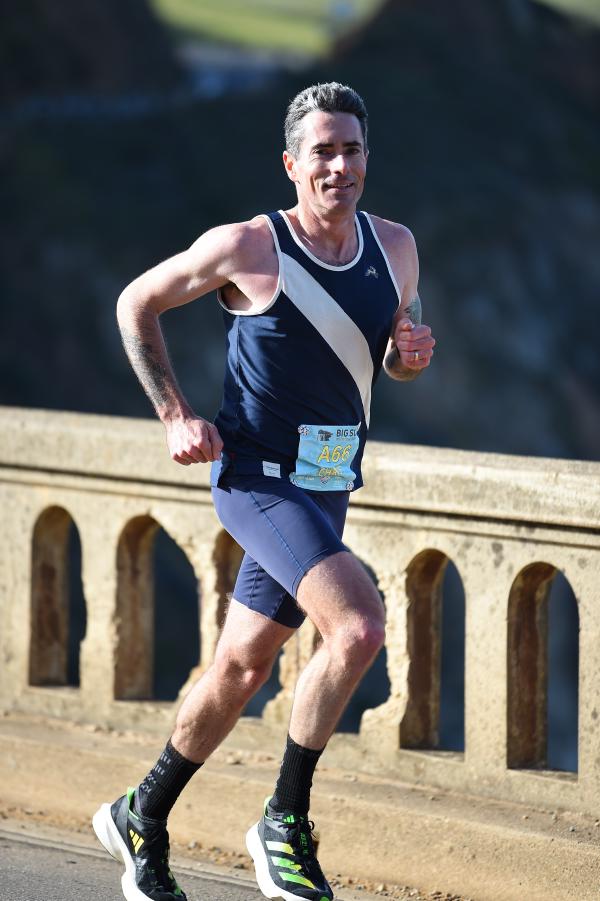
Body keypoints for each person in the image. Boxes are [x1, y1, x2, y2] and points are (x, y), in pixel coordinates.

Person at [92, 81, 435, 901]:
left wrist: (408, 356)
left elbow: (391, 351)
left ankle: (142, 811)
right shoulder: (250, 246)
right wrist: (175, 412)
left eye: (352, 150)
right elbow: (136, 302)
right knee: (356, 628)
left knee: (242, 667)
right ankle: (284, 819)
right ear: (292, 164)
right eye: (322, 151)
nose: (340, 166)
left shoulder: (397, 247)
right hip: (255, 479)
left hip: (326, 484)